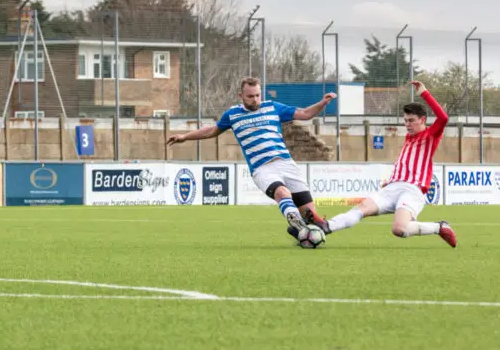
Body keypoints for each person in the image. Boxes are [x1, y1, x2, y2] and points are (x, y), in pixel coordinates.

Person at [167, 76, 336, 246]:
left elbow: (305, 114)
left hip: (286, 164)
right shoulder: (233, 115)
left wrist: (323, 103)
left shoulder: (272, 107)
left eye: (257, 95)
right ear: (241, 96)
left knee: (313, 218)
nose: (255, 99)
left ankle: (298, 229)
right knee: (282, 193)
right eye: (250, 96)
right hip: (262, 168)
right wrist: (185, 137)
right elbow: (211, 131)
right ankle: (299, 227)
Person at [310, 81, 456, 247]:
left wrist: (424, 92)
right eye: (405, 120)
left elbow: (443, 118)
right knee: (361, 208)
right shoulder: (409, 138)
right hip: (391, 189)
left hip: (412, 190)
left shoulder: (431, 135)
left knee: (399, 229)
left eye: (411, 120)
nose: (407, 124)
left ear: (423, 119)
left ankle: (439, 227)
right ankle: (326, 226)